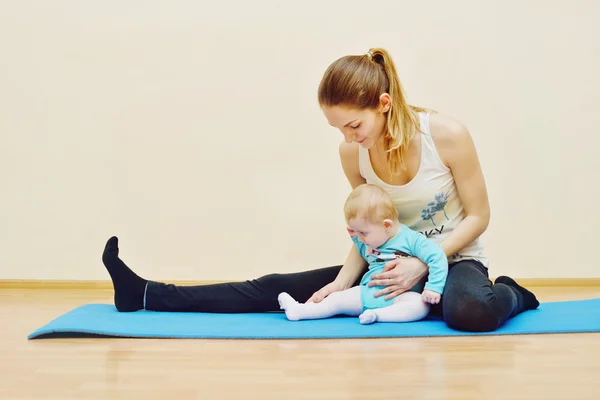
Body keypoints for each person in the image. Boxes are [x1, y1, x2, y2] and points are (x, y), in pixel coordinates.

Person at [101, 47, 539, 332]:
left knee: (471, 311)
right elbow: (362, 230)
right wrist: (343, 280)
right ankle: (143, 294)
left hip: (453, 259)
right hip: (387, 264)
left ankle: (514, 294)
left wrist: (421, 268)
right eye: (338, 129)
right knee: (271, 288)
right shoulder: (353, 154)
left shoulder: (446, 134)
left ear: (383, 105)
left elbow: (479, 217)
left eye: (354, 125)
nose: (348, 139)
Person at [277, 183, 448, 324]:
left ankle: (379, 316)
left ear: (386, 225)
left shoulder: (411, 239)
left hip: (400, 297)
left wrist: (433, 287)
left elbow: (437, 256)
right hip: (365, 294)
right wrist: (356, 236)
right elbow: (362, 248)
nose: (360, 238)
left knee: (420, 306)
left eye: (363, 233)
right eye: (355, 232)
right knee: (335, 300)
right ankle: (299, 310)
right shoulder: (370, 239)